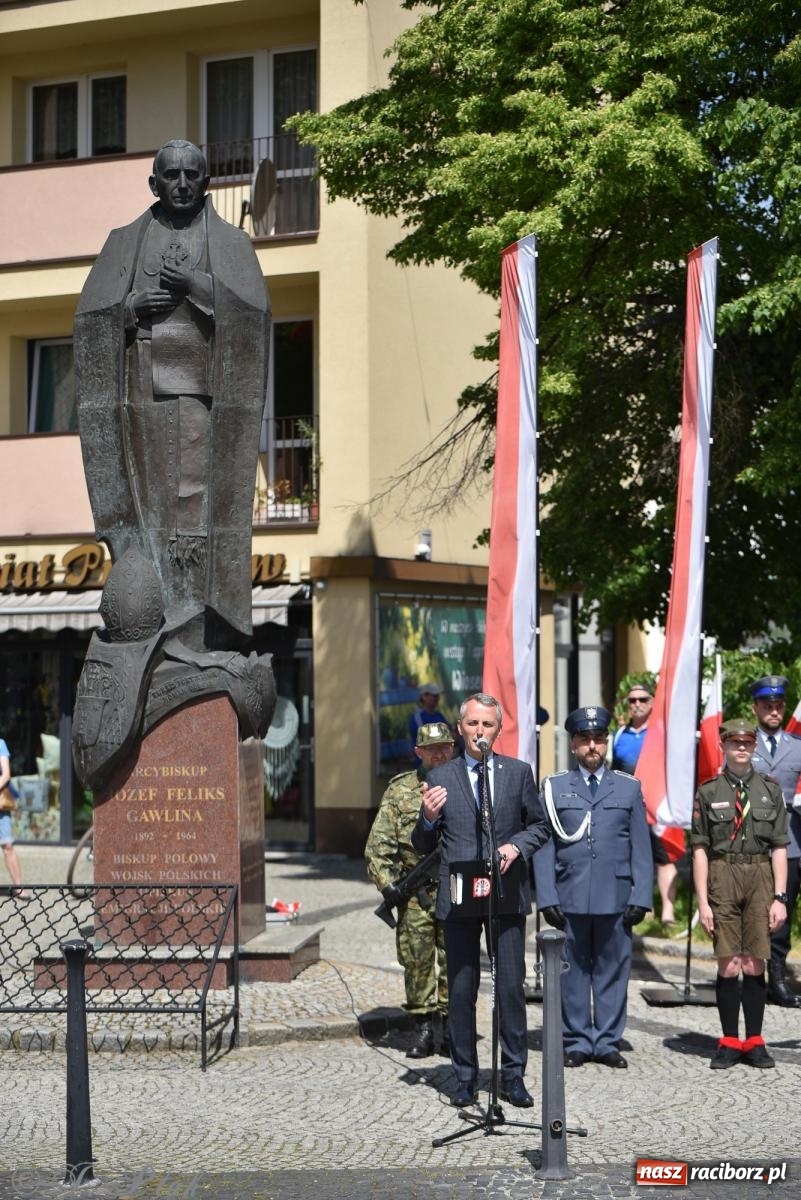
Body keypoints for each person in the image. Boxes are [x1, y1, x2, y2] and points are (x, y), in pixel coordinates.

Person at [73, 139, 274, 788]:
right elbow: (90, 320)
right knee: (152, 518)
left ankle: (192, 642)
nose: (183, 184)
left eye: (193, 175)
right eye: (172, 176)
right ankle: (158, 631)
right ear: (153, 183)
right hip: (141, 406)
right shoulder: (123, 243)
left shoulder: (229, 244)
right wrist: (130, 310)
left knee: (192, 521)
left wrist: (198, 288)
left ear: (205, 182)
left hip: (202, 409)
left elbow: (253, 318)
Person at [412, 692, 549, 1108]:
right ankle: (465, 1077)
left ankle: (513, 1076)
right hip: (460, 896)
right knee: (461, 990)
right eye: (472, 723)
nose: (479, 731)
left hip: (504, 892)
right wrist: (427, 818)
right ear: (460, 728)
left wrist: (516, 847)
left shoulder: (517, 773)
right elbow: (422, 845)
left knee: (509, 988)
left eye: (487, 724)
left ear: (498, 729)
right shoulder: (440, 776)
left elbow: (540, 826)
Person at [534, 706, 653, 1069]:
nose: (592, 746)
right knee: (571, 970)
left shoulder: (628, 787)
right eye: (584, 739)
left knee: (613, 969)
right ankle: (577, 1040)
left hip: (615, 895)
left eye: (598, 739)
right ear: (573, 745)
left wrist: (641, 895)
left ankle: (606, 1041)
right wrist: (546, 896)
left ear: (606, 743)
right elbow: (544, 845)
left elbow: (641, 847)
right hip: (569, 894)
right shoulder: (554, 787)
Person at [692, 718, 789, 1068]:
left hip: (760, 875)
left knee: (754, 960)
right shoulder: (708, 791)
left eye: (747, 742)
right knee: (729, 961)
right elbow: (700, 849)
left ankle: (755, 1041)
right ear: (723, 746)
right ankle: (730, 1040)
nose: (742, 748)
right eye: (735, 742)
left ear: (755, 746)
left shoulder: (770, 790)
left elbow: (779, 847)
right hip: (723, 874)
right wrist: (703, 902)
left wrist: (780, 897)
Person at [365, 721, 454, 1058]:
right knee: (416, 961)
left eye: (445, 747)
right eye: (432, 749)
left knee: (455, 960)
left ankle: (452, 1028)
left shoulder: (466, 783)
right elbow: (378, 845)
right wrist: (389, 886)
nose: (439, 754)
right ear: (419, 752)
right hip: (416, 894)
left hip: (455, 889)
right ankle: (424, 1028)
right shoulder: (400, 790)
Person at [748, 674, 801, 1007]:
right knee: (752, 911)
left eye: (779, 705)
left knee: (783, 911)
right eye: (767, 705)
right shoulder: (742, 743)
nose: (774, 711)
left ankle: (777, 980)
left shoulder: (797, 746)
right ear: (755, 708)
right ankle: (751, 977)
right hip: (751, 842)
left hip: (791, 841)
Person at [612, 681, 680, 926]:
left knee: (664, 858)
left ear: (652, 703)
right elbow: (613, 771)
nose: (637, 704)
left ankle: (668, 913)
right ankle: (642, 907)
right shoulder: (619, 735)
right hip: (628, 807)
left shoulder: (662, 732)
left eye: (643, 699)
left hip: (657, 807)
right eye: (633, 700)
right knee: (633, 859)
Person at [0, 739, 28, 899]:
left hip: (0, 803)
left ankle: (19, 887)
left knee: (8, 845)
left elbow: (6, 775)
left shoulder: (0, 744)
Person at [408, 684, 448, 755]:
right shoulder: (417, 717)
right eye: (434, 695)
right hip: (424, 760)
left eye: (437, 695)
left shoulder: (439, 715)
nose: (436, 698)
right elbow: (425, 739)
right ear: (424, 696)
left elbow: (449, 734)